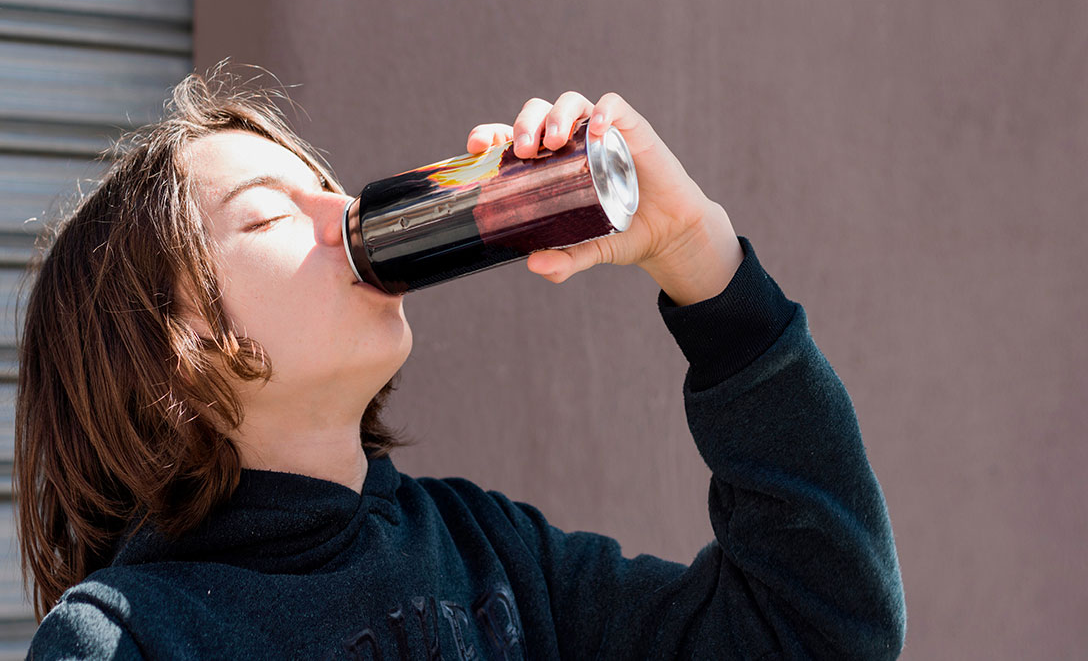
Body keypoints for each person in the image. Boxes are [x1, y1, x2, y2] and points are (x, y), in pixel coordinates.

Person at [16, 64, 906, 660]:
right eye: (269, 215)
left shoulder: (491, 557)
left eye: (333, 189)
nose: (350, 214)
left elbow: (819, 630)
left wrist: (704, 265)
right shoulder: (126, 638)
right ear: (172, 356)